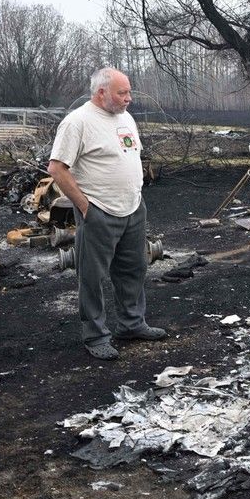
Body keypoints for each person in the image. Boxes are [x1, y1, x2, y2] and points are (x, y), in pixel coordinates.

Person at [47, 67, 166, 360]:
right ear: (102, 93)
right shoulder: (78, 122)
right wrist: (86, 207)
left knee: (133, 269)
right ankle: (96, 336)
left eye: (129, 92)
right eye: (122, 93)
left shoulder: (125, 118)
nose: (128, 99)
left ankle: (131, 324)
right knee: (92, 276)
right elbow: (57, 168)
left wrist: (136, 195)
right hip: (99, 211)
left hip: (133, 207)